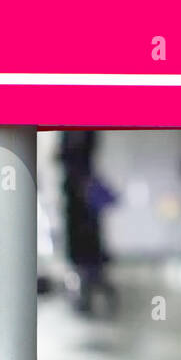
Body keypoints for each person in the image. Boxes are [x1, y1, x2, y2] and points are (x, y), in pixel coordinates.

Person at [59, 130, 117, 314]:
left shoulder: (79, 179)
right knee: (88, 264)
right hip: (80, 199)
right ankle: (89, 298)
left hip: (80, 200)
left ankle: (90, 299)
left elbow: (69, 155)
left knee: (88, 262)